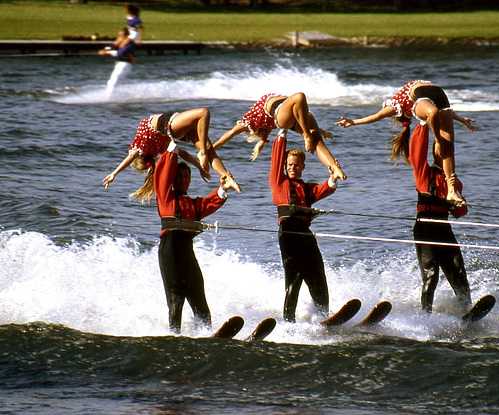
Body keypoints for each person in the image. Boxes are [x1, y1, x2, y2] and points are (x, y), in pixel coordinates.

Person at [336, 80, 476, 203]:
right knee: (432, 115)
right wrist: (353, 122)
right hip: (425, 94)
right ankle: (439, 142)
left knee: (448, 147)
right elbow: (378, 115)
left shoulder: (398, 106)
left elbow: (377, 116)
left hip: (440, 96)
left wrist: (461, 120)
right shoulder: (399, 106)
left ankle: (451, 192)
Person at [154, 140, 235, 334]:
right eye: (179, 177)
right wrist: (173, 148)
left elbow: (210, 203)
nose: (183, 180)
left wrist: (223, 188)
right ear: (173, 180)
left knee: (199, 299)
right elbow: (162, 174)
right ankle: (175, 337)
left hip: (186, 250)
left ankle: (206, 333)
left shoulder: (193, 204)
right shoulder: (166, 197)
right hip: (170, 249)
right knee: (177, 299)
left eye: (186, 177)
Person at [407, 99, 475, 315]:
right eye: (440, 148)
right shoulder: (423, 173)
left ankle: (467, 310)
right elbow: (416, 151)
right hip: (425, 227)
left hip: (444, 230)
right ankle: (425, 315)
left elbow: (460, 213)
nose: (443, 152)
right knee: (431, 276)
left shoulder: (453, 181)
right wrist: (423, 122)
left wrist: (458, 200)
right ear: (436, 151)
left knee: (458, 273)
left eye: (447, 150)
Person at [270, 130, 343, 322]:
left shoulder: (307, 188)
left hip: (305, 234)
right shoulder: (279, 182)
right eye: (289, 165)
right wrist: (282, 133)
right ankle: (289, 321)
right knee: (294, 278)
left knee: (318, 274)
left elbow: (323, 189)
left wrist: (333, 177)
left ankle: (324, 317)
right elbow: (276, 159)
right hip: (287, 233)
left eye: (296, 165)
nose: (292, 168)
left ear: (303, 166)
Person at [103, 108, 242, 203]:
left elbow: (184, 154)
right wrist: (114, 173)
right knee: (204, 113)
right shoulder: (143, 146)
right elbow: (131, 156)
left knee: (209, 149)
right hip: (169, 124)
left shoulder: (159, 147)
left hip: (177, 129)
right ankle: (203, 153)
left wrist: (199, 167)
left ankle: (226, 177)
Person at [213, 92, 347, 180]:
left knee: (318, 141)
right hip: (282, 116)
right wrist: (211, 148)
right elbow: (230, 133)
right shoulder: (250, 120)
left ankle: (334, 168)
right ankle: (307, 136)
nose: (246, 130)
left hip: (299, 115)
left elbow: (230, 133)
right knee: (299, 96)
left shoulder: (256, 119)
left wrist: (320, 130)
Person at [99, 27, 136, 97]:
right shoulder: (120, 41)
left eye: (122, 35)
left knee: (114, 81)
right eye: (120, 35)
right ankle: (115, 96)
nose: (120, 37)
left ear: (126, 35)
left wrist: (107, 53)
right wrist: (104, 50)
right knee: (111, 82)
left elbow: (120, 53)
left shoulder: (130, 44)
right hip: (119, 64)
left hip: (125, 64)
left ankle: (109, 98)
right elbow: (112, 47)